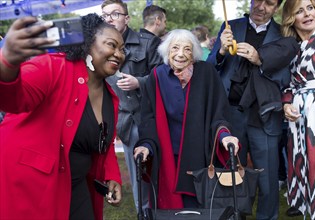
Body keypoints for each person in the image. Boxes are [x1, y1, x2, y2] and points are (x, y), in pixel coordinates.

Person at [0, 13, 124, 220]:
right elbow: (13, 99)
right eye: (112, 45)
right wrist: (7, 62)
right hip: (32, 186)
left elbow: (104, 141)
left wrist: (112, 175)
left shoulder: (110, 96)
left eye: (122, 49)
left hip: (75, 185)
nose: (119, 54)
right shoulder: (51, 67)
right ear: (88, 44)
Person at [206, 0, 299, 219]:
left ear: (276, 7)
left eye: (269, 3)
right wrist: (219, 50)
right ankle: (233, 215)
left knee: (267, 180)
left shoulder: (283, 34)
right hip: (231, 113)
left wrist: (260, 60)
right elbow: (210, 68)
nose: (261, 7)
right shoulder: (230, 26)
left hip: (264, 114)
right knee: (231, 175)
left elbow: (286, 78)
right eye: (258, 0)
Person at [133, 29, 240, 209]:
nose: (181, 54)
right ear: (167, 51)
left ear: (195, 52)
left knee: (198, 206)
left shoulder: (207, 72)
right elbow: (149, 117)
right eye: (175, 48)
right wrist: (146, 145)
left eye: (187, 49)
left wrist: (224, 135)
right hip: (168, 153)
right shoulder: (157, 76)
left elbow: (218, 112)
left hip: (200, 154)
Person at [101, 0, 163, 212]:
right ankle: (143, 214)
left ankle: (163, 212)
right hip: (126, 120)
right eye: (105, 15)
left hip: (152, 116)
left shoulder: (148, 43)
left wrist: (140, 82)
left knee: (160, 171)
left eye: (115, 14)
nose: (109, 19)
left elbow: (163, 76)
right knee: (137, 175)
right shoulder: (99, 47)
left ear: (127, 18)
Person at [281, 0, 315, 219]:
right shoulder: (289, 48)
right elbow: (287, 84)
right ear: (291, 18)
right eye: (299, 11)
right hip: (300, 118)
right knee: (309, 168)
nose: (307, 14)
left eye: (310, 8)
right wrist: (286, 102)